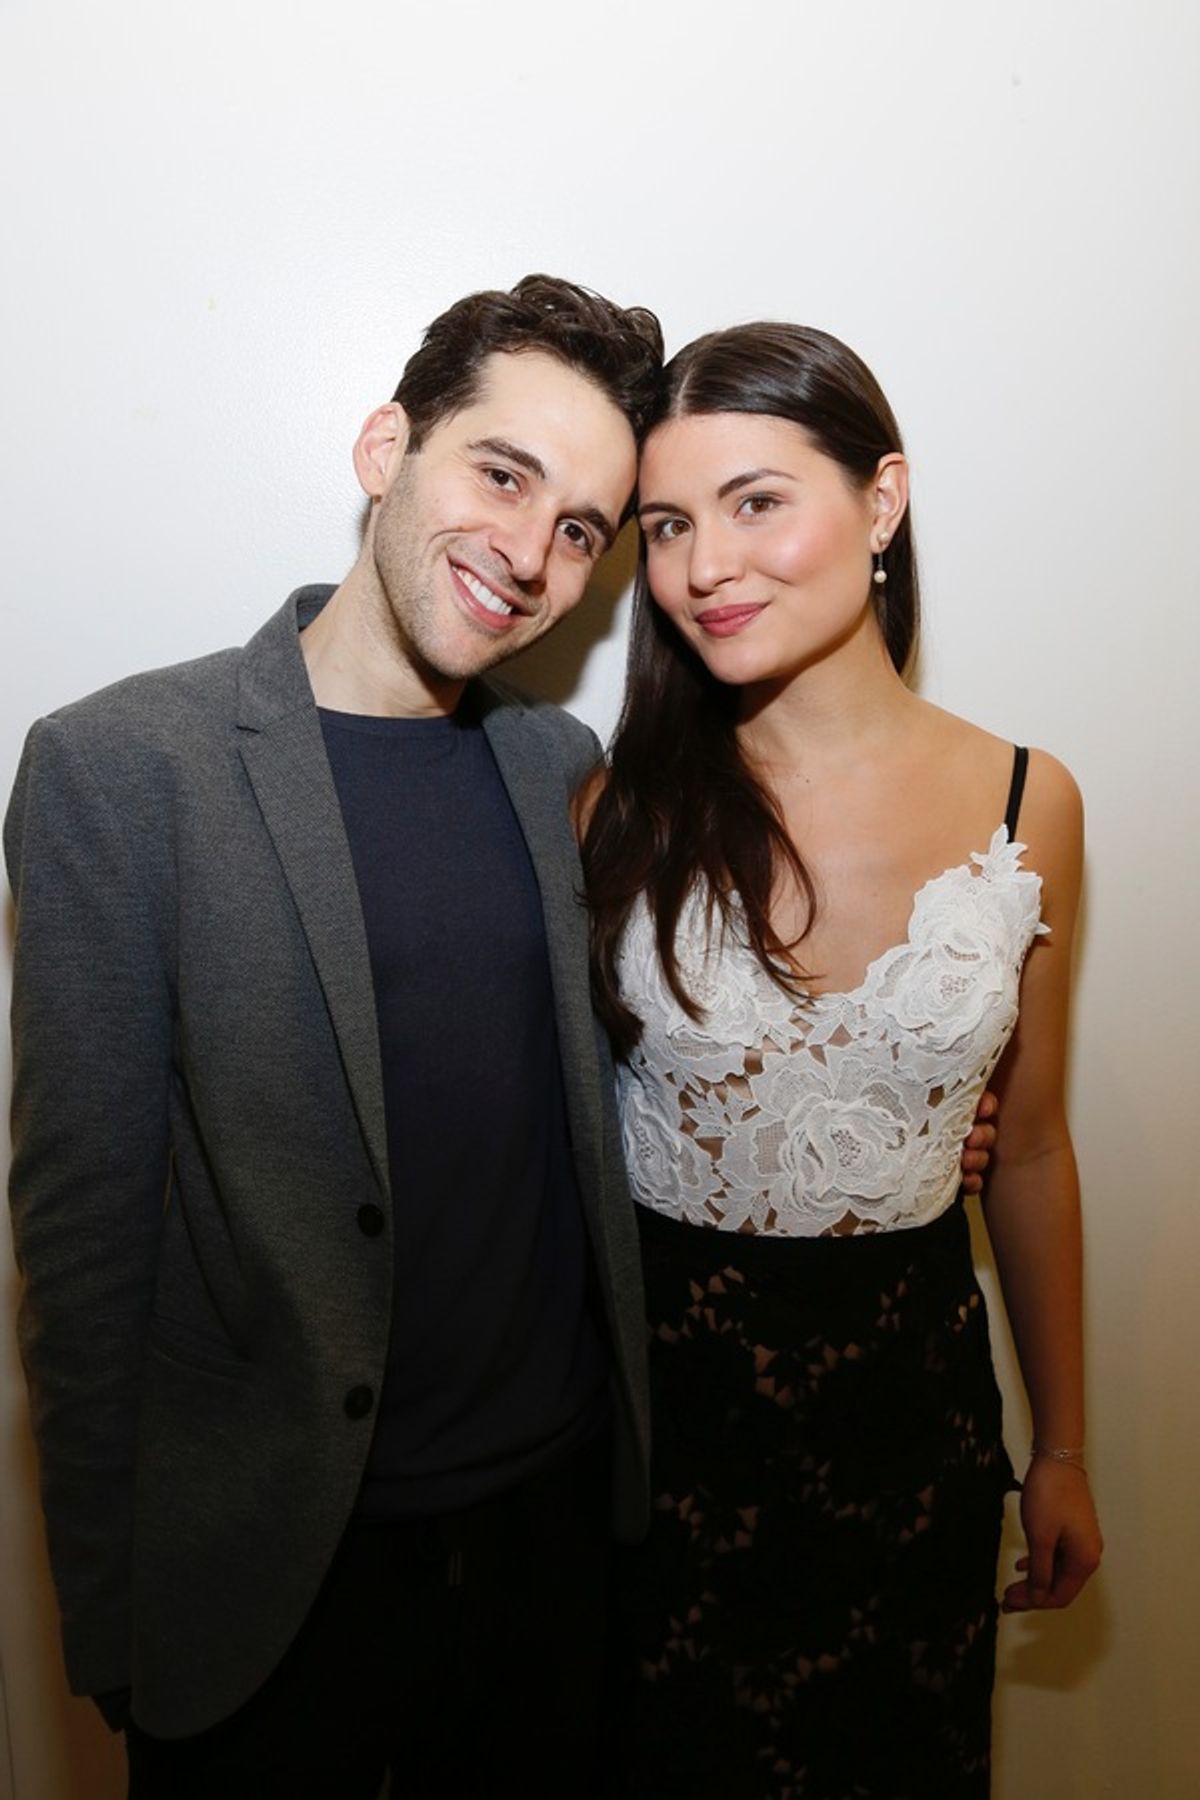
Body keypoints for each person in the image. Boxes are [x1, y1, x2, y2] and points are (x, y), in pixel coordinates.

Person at [4, 274, 665, 1798]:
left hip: (554, 1541)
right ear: (387, 448)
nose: (530, 553)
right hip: (277, 1582)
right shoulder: (121, 769)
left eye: (581, 530)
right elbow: (84, 1242)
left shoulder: (558, 762)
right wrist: (110, 1621)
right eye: (502, 475)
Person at [581, 322, 1103, 1798]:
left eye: (756, 502)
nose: (701, 566)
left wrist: (1060, 1444)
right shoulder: (614, 809)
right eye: (668, 526)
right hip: (657, 1442)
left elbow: (1039, 1145)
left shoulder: (1027, 799)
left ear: (881, 502)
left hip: (908, 1424)